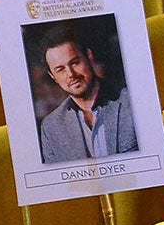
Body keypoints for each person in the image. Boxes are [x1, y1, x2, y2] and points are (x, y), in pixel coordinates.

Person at [36, 26, 139, 164]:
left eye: (75, 62)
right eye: (60, 69)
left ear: (89, 57)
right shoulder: (50, 127)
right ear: (52, 76)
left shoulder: (133, 103)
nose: (71, 74)